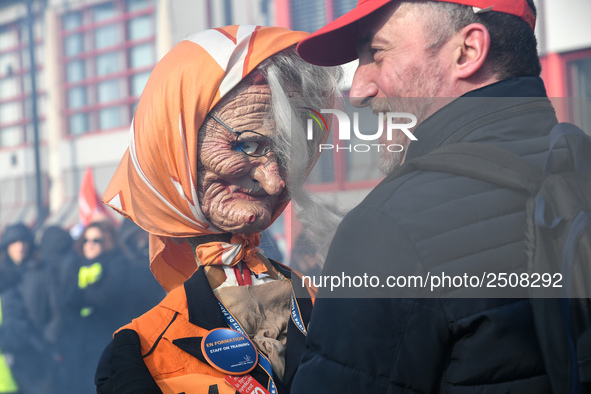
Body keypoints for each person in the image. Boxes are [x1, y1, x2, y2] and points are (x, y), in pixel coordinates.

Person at [291, 0, 563, 393]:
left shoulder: (390, 225)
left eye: (376, 52)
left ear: (467, 51)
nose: (359, 91)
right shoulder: (577, 165)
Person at [94, 25, 341, 394]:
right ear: (174, 146)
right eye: (248, 144)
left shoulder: (336, 307)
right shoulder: (142, 351)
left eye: (286, 152)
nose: (275, 182)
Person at [64, 220, 130, 393]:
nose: (90, 245)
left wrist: (81, 295)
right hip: (78, 338)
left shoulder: (117, 264)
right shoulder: (74, 265)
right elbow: (66, 299)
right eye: (86, 240)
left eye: (96, 240)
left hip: (106, 334)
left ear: (107, 241)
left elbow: (106, 297)